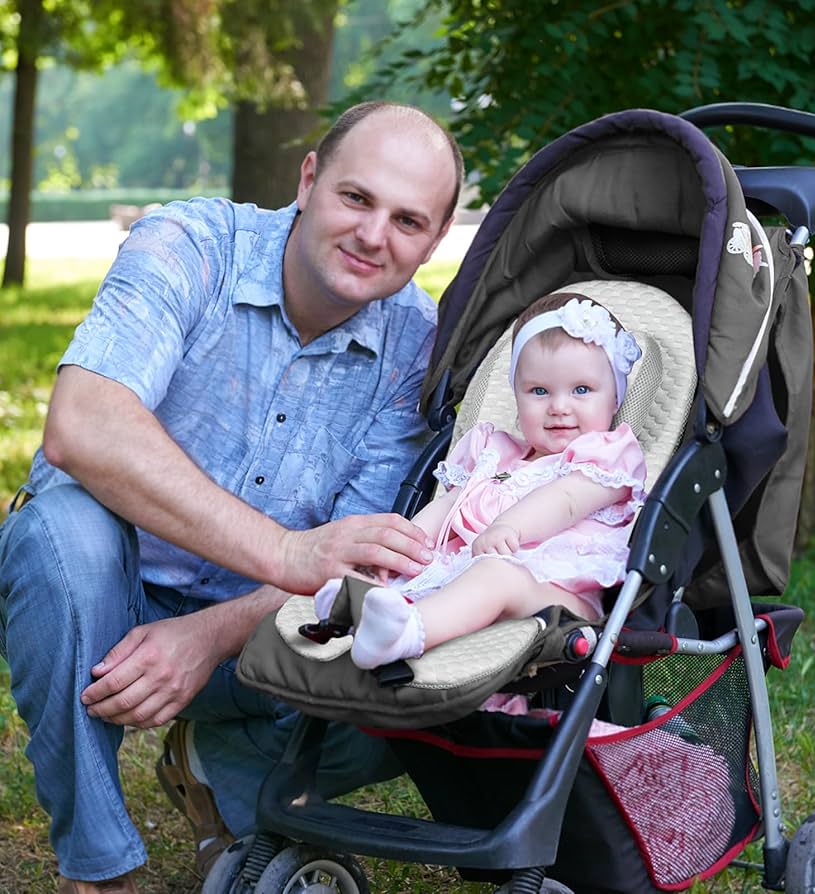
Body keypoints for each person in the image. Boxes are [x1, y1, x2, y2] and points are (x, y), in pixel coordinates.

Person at [0, 100, 463, 894]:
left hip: (261, 633)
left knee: (427, 680)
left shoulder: (419, 353)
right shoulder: (192, 243)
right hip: (98, 595)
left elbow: (358, 558)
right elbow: (81, 427)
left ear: (434, 239)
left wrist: (208, 636)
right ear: (309, 178)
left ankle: (223, 776)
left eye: (408, 220)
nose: (373, 235)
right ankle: (101, 868)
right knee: (59, 535)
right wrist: (285, 551)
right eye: (356, 198)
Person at [312, 292, 647, 670]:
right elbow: (449, 504)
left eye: (581, 390)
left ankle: (407, 634)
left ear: (615, 397)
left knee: (497, 575)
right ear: (517, 395)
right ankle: (355, 605)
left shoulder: (606, 457)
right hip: (469, 568)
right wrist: (402, 547)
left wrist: (509, 527)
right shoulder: (494, 452)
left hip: (556, 596)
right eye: (539, 391)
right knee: (415, 568)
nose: (559, 407)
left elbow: (565, 499)